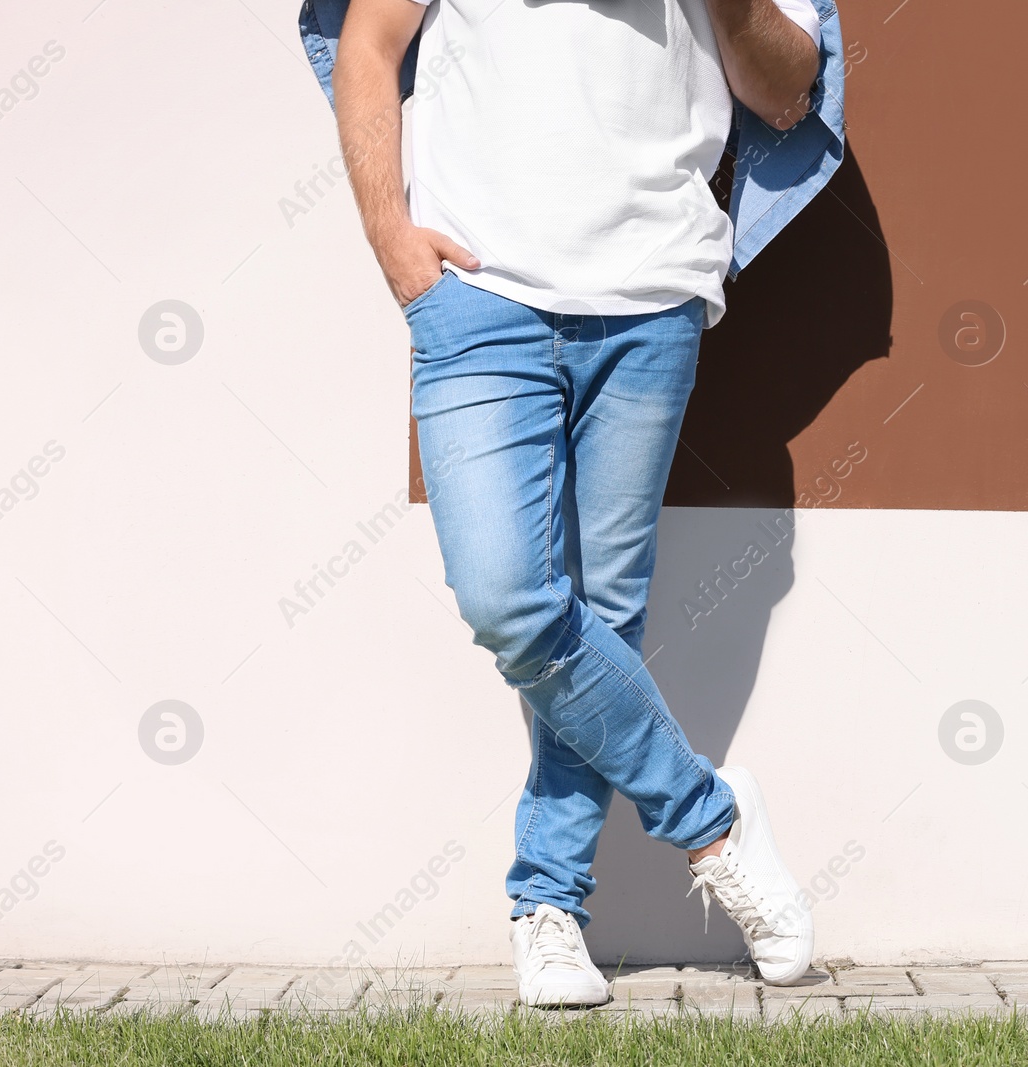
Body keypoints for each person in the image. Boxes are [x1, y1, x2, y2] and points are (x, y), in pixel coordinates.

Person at [321, 0, 842, 1007]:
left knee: (602, 617)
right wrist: (394, 238)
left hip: (650, 294)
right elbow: (368, 42)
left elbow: (786, 92)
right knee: (510, 599)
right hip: (478, 291)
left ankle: (547, 909)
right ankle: (712, 822)